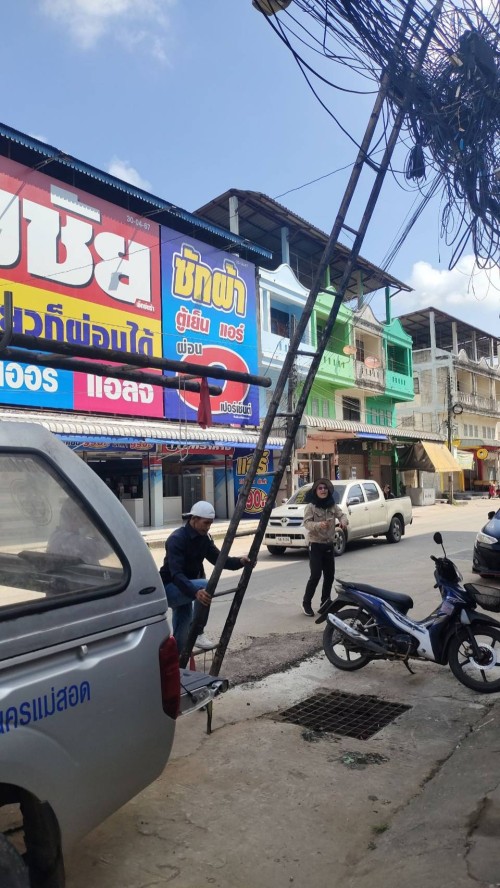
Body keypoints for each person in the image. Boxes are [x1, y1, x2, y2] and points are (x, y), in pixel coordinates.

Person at [160, 501, 251, 653]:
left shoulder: (204, 538)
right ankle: (198, 632)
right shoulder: (177, 539)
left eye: (210, 523)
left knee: (182, 636)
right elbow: (176, 574)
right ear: (194, 519)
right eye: (206, 523)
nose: (208, 527)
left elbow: (219, 560)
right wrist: (195, 592)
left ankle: (178, 663)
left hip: (186, 588)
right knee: (206, 585)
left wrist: (240, 561)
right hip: (169, 588)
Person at [301, 479, 348, 617]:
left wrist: (343, 522)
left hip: (328, 544)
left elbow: (342, 515)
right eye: (320, 488)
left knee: (329, 576)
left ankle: (325, 602)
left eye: (325, 488)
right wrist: (318, 525)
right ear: (315, 491)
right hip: (315, 544)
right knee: (315, 575)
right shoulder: (311, 507)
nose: (323, 490)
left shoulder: (332, 505)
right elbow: (306, 523)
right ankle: (306, 603)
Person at [47, 498, 112, 564]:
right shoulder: (68, 541)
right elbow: (105, 548)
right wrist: (95, 526)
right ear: (75, 518)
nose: (85, 523)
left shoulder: (56, 537)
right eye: (85, 518)